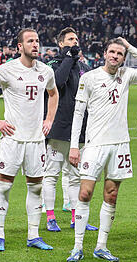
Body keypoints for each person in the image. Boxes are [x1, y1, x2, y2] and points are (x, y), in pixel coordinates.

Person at [67, 37, 137, 262]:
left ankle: (101, 246)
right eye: (112, 52)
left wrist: (130, 47)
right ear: (104, 53)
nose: (115, 56)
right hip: (94, 144)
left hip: (120, 144)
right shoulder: (89, 78)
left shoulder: (127, 75)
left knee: (112, 195)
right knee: (85, 193)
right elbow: (78, 113)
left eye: (119, 53)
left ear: (123, 57)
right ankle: (77, 247)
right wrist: (73, 146)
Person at [0, 28, 59, 252]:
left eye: (37, 41)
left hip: (36, 140)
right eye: (30, 41)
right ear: (20, 46)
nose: (35, 45)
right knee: (3, 187)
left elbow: (53, 94)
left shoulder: (46, 71)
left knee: (36, 188)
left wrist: (49, 119)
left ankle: (33, 235)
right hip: (12, 139)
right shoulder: (6, 70)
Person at [42, 27, 97, 232]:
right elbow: (57, 82)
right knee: (52, 174)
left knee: (76, 176)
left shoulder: (84, 67)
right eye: (70, 39)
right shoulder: (52, 65)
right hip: (58, 128)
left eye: (76, 38)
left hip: (80, 130)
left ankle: (76, 218)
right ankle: (50, 217)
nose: (75, 42)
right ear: (60, 43)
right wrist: (68, 58)